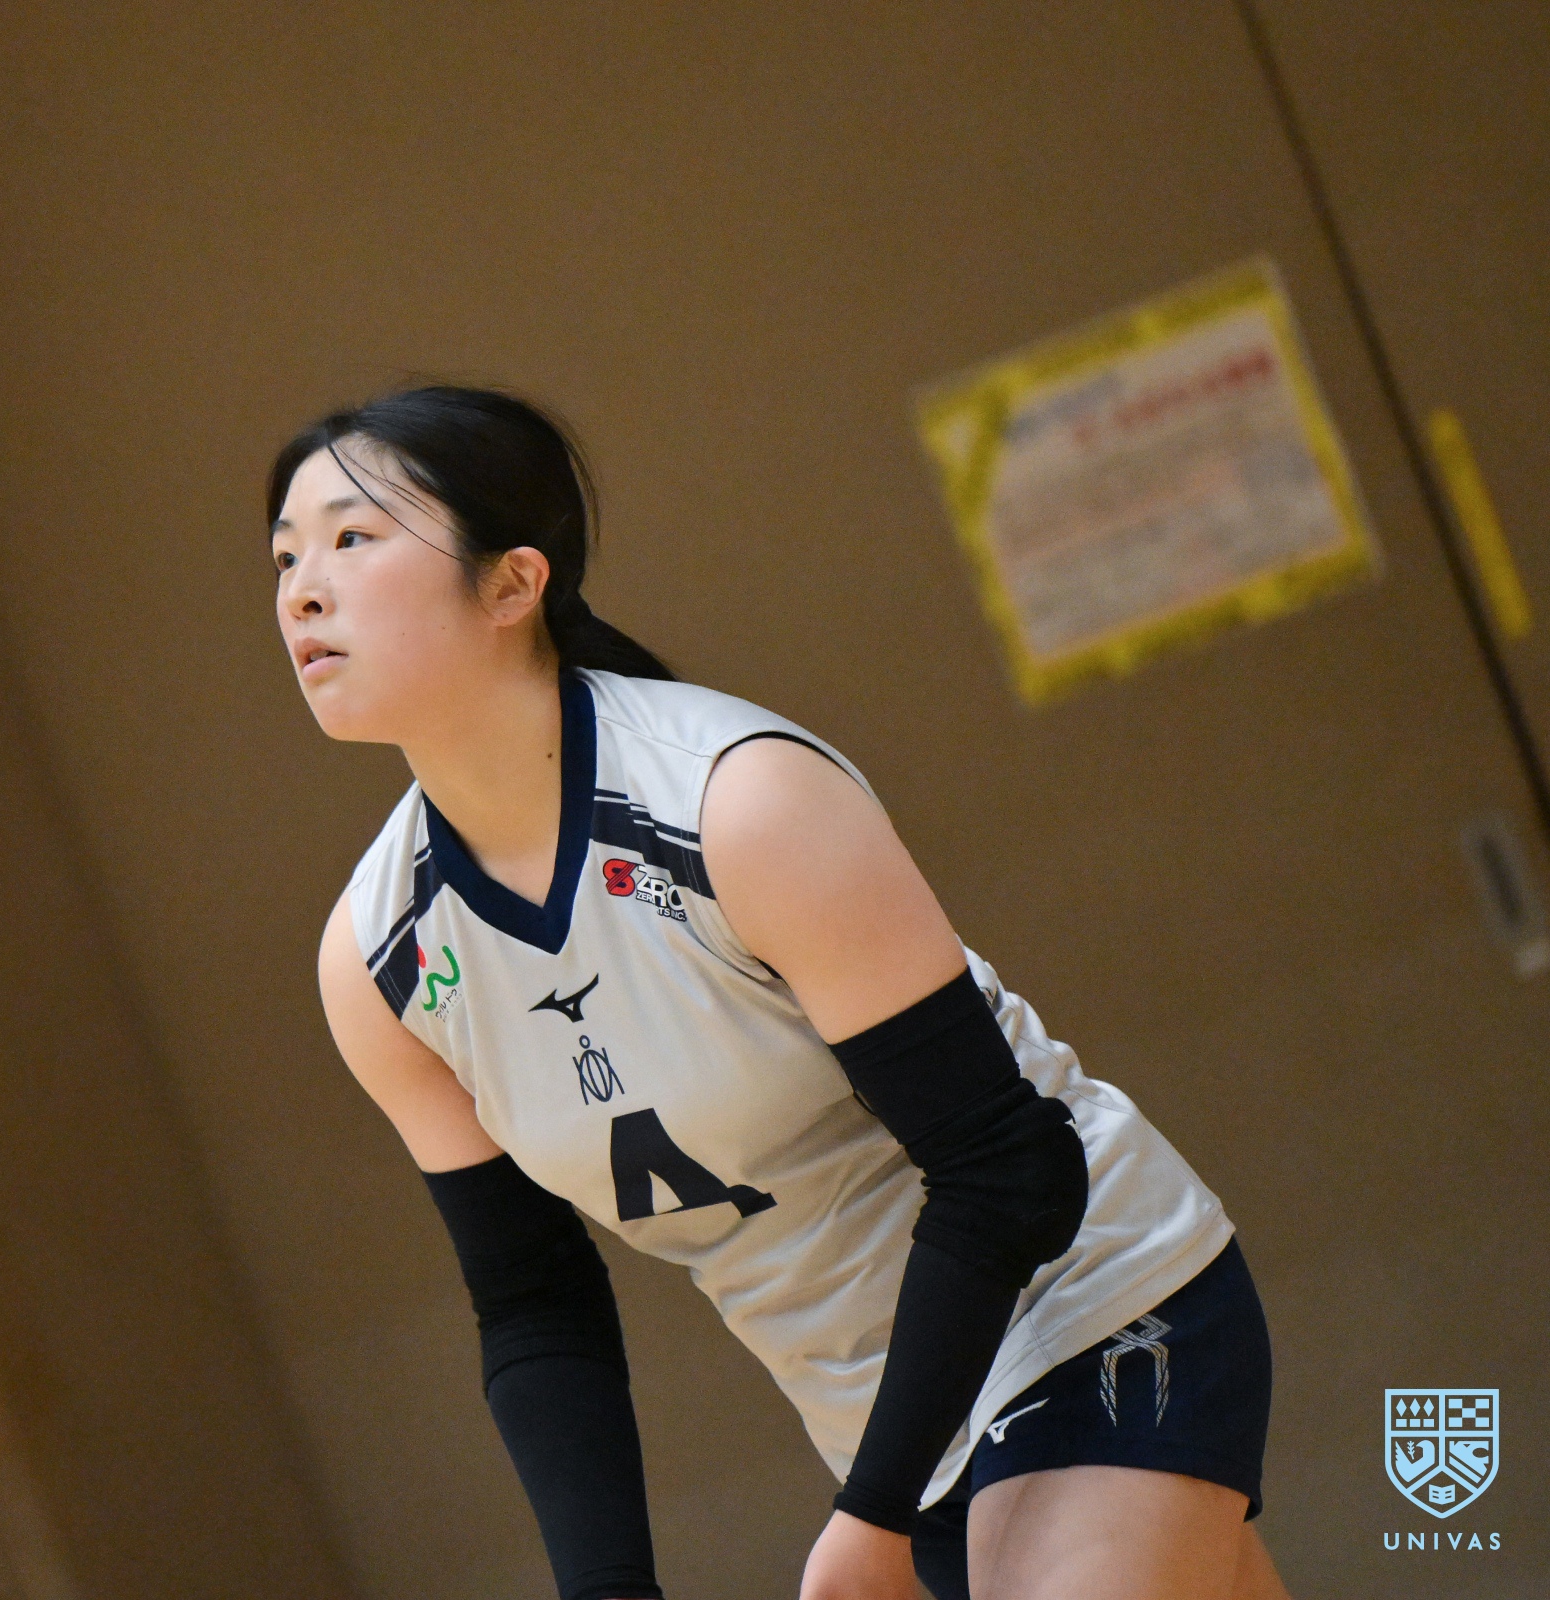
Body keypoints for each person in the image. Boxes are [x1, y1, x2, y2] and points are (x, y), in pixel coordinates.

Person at [269, 385, 1291, 1600]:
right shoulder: (377, 958)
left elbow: (1010, 1167)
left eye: (351, 537)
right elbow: (535, 1303)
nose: (302, 591)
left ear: (511, 584)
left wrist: (873, 1512)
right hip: (890, 1424)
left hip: (1085, 1307)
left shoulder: (734, 800)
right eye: (284, 558)